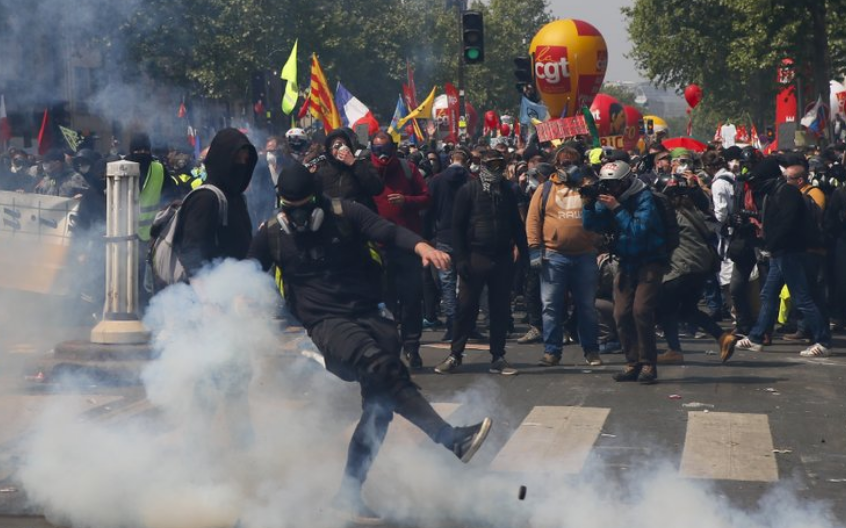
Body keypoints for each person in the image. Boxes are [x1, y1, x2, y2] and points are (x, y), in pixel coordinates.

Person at [247, 164, 492, 525]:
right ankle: (451, 437)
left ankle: (348, 494)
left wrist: (422, 245)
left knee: (379, 408)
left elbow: (389, 231)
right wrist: (238, 300)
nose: (297, 215)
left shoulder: (346, 213)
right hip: (327, 324)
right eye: (290, 207)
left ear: (317, 198)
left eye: (304, 206)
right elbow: (246, 272)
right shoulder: (271, 234)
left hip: (369, 314)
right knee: (382, 367)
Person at [433, 150, 528, 376]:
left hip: (502, 256)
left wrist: (523, 254)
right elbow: (456, 227)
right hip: (476, 256)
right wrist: (462, 259)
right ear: (483, 165)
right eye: (492, 165)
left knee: (500, 309)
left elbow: (516, 225)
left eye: (500, 164)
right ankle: (455, 354)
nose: (496, 169)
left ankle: (498, 356)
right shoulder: (469, 190)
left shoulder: (507, 190)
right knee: (466, 307)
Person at [583, 161, 670, 384]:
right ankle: (633, 362)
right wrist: (589, 204)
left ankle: (649, 363)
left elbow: (638, 230)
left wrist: (617, 209)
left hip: (650, 261)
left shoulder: (644, 197)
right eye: (606, 185)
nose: (610, 189)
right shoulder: (611, 198)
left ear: (626, 182)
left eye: (614, 184)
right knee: (621, 313)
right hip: (625, 261)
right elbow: (592, 225)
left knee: (641, 310)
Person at [735, 157, 832, 357]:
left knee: (802, 297)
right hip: (780, 252)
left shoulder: (786, 192)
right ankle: (757, 337)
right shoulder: (776, 192)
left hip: (790, 252)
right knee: (768, 294)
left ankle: (823, 341)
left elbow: (786, 223)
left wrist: (770, 245)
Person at [526, 147, 601, 367]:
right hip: (553, 255)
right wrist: (534, 248)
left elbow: (601, 216)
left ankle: (591, 350)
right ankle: (552, 351)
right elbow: (533, 220)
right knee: (550, 306)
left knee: (586, 306)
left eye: (572, 162)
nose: (567, 166)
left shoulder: (588, 187)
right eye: (563, 162)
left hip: (585, 255)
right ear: (556, 165)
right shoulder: (545, 188)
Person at [655, 176, 738, 364]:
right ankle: (722, 336)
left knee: (665, 308)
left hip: (682, 268)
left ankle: (674, 350)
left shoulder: (670, 214)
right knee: (687, 310)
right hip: (702, 267)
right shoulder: (694, 210)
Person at [370, 131, 431, 369]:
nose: (382, 155)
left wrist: (407, 200)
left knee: (411, 300)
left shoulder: (408, 169)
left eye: (386, 149)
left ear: (394, 148)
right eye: (377, 150)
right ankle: (388, 348)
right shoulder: (366, 172)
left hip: (407, 246)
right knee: (384, 303)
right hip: (378, 248)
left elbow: (426, 197)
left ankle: (412, 347)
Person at [177, 128, 257, 277]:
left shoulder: (237, 197)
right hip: (213, 292)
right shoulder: (205, 199)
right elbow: (191, 254)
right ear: (222, 160)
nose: (242, 166)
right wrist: (207, 296)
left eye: (245, 161)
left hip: (239, 288)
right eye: (237, 160)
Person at [424, 148, 471, 341]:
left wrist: (427, 235)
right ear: (466, 161)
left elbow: (429, 210)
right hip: (467, 238)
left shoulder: (436, 181)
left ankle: (453, 325)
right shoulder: (472, 181)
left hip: (443, 236)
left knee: (447, 284)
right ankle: (468, 324)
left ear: (450, 159)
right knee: (467, 284)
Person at [314, 128, 383, 211]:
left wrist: (354, 164)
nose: (340, 150)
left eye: (343, 145)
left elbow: (377, 189)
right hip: (335, 218)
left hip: (359, 216)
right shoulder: (322, 170)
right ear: (330, 151)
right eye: (336, 146)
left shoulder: (362, 163)